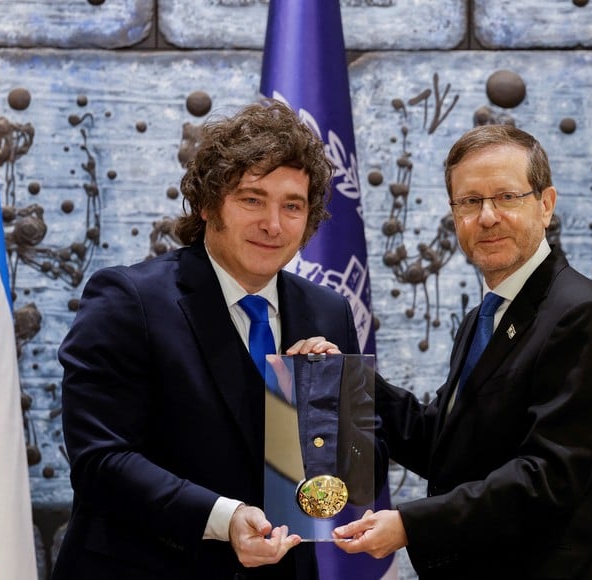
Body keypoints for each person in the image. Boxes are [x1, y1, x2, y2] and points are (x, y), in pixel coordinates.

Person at [52, 100, 374, 579]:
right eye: (252, 199)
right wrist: (224, 519)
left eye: (292, 206)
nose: (273, 224)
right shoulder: (127, 299)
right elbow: (100, 459)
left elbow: (353, 467)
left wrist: (329, 405)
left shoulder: (328, 311)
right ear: (206, 203)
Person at [333, 124, 592, 579]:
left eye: (507, 197)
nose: (487, 216)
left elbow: (548, 478)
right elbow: (443, 442)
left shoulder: (580, 313)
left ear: (545, 205)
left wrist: (410, 524)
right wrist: (345, 378)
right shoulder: (483, 317)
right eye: (470, 201)